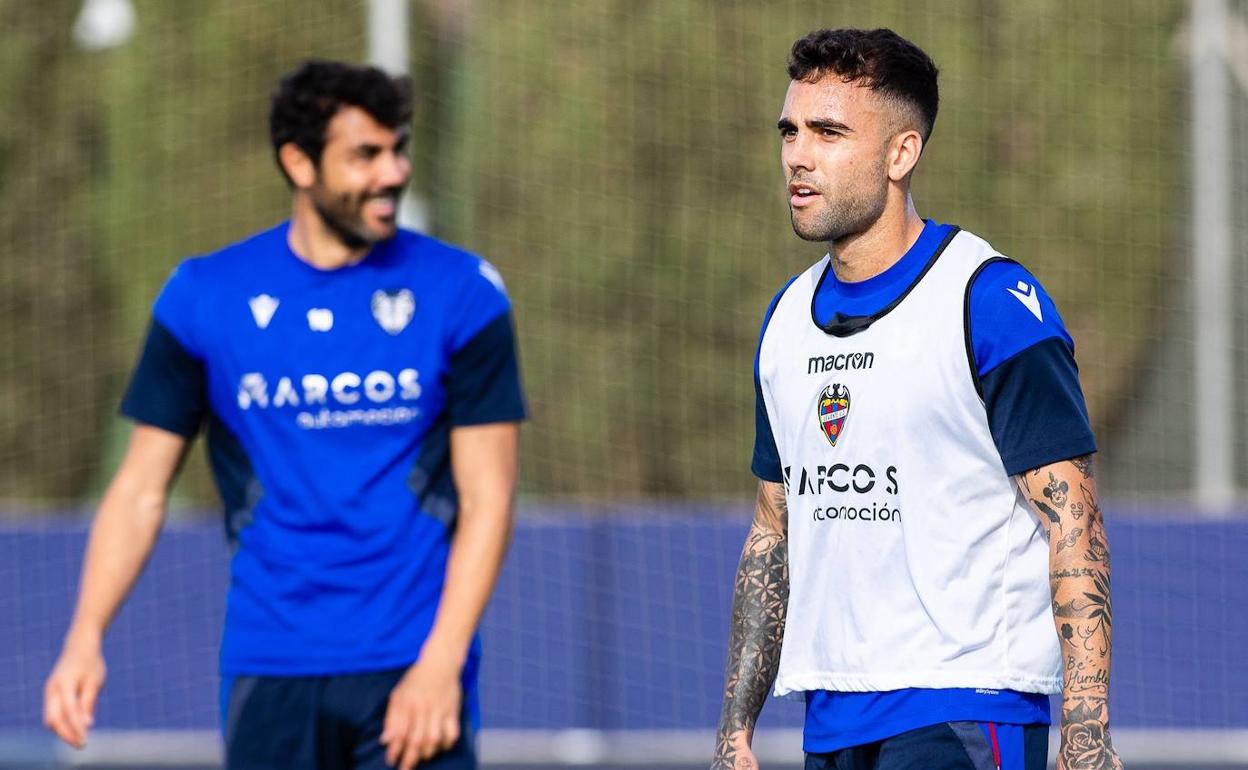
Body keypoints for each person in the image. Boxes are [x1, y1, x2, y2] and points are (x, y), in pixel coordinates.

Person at [43, 60, 525, 770]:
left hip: (410, 667)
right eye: (365, 155)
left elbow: (490, 496)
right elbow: (140, 491)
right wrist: (84, 636)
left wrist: (440, 664)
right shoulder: (203, 297)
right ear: (298, 162)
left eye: (399, 147)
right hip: (270, 665)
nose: (393, 171)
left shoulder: (463, 293)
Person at [712, 29, 1121, 770]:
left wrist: (1085, 734)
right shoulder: (785, 321)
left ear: (901, 154)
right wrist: (734, 731)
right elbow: (773, 529)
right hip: (830, 718)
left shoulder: (988, 301)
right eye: (791, 131)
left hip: (966, 710)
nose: (798, 156)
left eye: (829, 133)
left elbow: (1075, 524)